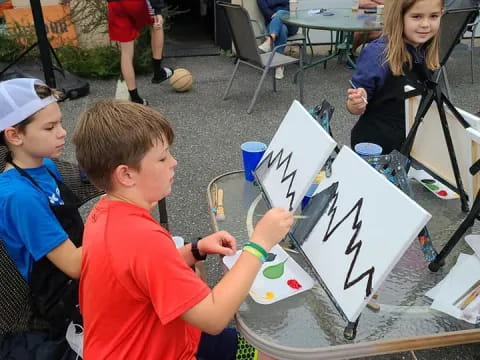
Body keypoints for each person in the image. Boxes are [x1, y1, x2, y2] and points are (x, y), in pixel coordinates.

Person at [73, 99, 293, 359]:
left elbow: (139, 273)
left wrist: (194, 250)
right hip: (159, 350)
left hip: (157, 337)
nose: (174, 162)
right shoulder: (142, 239)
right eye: (163, 157)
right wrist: (259, 244)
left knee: (264, 352)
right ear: (127, 175)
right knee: (276, 350)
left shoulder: (105, 210)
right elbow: (213, 317)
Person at [0, 78, 83, 358]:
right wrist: (115, 221)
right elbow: (74, 265)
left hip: (80, 281)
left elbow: (89, 178)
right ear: (14, 135)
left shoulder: (45, 165)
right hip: (62, 304)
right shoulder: (18, 197)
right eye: (50, 127)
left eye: (60, 122)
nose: (62, 133)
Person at [347, 0, 444, 154]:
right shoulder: (377, 54)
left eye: (433, 16)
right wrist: (357, 103)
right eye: (416, 17)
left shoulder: (425, 49)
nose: (426, 24)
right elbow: (353, 105)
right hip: (375, 148)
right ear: (398, 17)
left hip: (409, 145)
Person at [107, 0, 173, 105]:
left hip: (115, 4)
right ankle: (158, 72)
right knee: (156, 23)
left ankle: (135, 98)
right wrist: (158, 11)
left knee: (126, 52)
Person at [257, 0, 299, 79]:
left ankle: (269, 40)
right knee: (282, 29)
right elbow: (265, 11)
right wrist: (277, 17)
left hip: (290, 22)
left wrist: (279, 14)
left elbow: (289, 7)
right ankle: (279, 65)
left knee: (280, 12)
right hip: (272, 23)